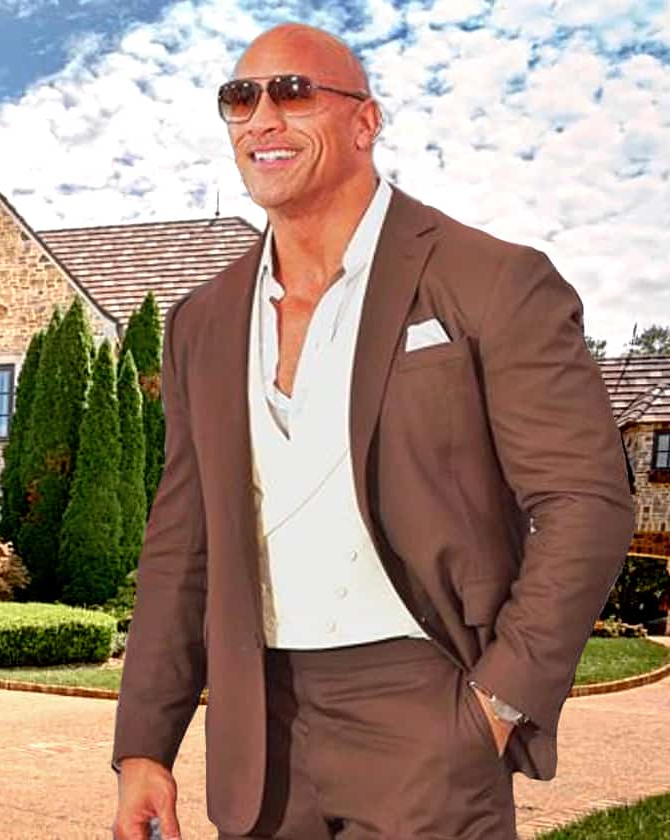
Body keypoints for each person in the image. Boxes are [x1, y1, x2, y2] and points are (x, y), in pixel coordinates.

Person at [111, 22, 634, 840]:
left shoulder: (491, 280)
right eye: (240, 98)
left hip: (425, 709)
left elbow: (585, 503)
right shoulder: (201, 322)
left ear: (365, 122)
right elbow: (182, 541)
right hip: (257, 735)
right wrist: (145, 744)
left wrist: (497, 704)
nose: (262, 118)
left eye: (294, 92)